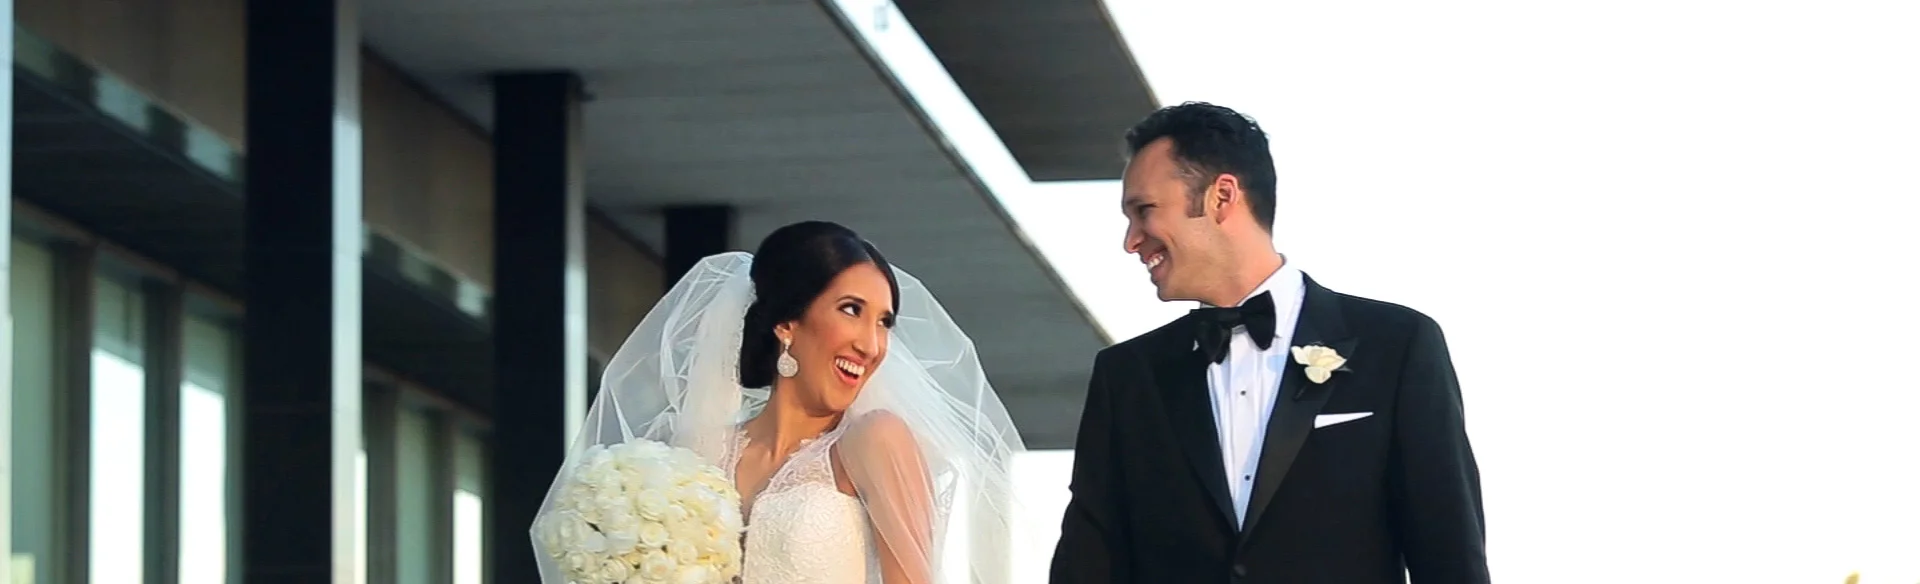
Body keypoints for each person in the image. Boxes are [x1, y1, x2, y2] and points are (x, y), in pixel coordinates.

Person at [1049, 103, 1490, 584]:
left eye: (1144, 211)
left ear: (1221, 197)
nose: (1131, 241)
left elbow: (1449, 554)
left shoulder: (1398, 344)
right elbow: (1088, 564)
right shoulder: (1127, 375)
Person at [538, 220, 1023, 584]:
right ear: (787, 323)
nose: (871, 345)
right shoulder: (693, 460)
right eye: (851, 310)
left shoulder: (874, 440)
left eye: (884, 322)